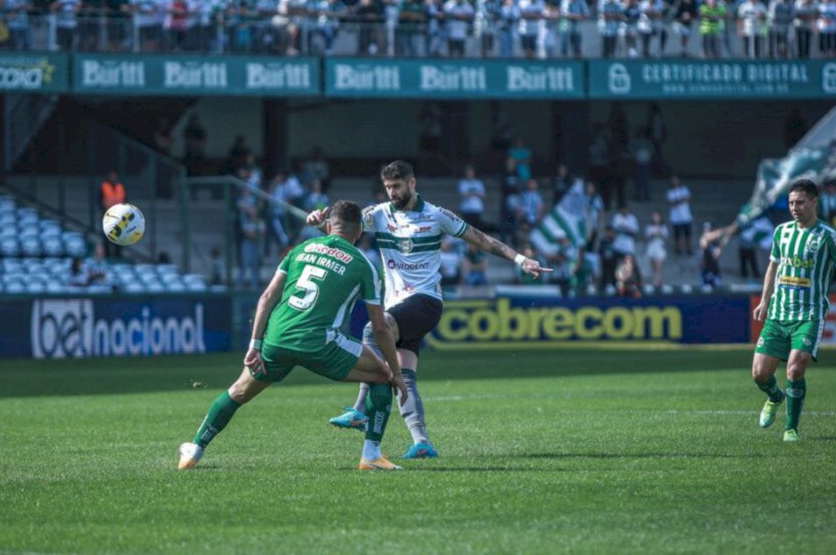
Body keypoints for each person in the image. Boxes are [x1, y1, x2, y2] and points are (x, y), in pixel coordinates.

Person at [307, 161, 550, 459]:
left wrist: (520, 259)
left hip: (426, 302)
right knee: (404, 375)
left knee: (374, 329)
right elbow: (342, 231)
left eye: (397, 186)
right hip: (398, 307)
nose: (392, 193)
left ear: (413, 183)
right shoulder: (379, 214)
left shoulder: (436, 215)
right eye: (387, 188)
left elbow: (482, 239)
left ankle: (358, 410)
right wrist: (321, 222)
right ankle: (422, 442)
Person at [178, 200, 408, 471]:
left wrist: (254, 345)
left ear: (330, 225)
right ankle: (371, 455)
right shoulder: (363, 265)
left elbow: (266, 298)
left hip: (277, 338)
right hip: (320, 342)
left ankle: (195, 449)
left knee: (238, 391)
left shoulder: (299, 249)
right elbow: (380, 329)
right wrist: (396, 373)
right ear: (359, 232)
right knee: (381, 376)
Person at [752, 179, 836, 442]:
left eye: (800, 202)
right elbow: (773, 267)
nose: (794, 207)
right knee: (759, 374)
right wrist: (765, 300)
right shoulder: (782, 232)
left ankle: (790, 428)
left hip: (809, 314)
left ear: (814, 202)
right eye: (791, 203)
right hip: (778, 313)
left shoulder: (829, 235)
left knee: (795, 370)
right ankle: (775, 396)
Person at [99, 172, 126, 257]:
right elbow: (99, 200)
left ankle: (118, 255)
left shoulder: (120, 187)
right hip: (108, 215)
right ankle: (108, 255)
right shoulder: (103, 187)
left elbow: (125, 200)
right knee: (107, 236)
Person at [667, 176, 693, 256]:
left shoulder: (684, 189)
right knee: (677, 236)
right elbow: (672, 204)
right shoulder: (670, 192)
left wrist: (677, 201)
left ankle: (689, 249)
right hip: (676, 218)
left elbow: (689, 200)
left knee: (687, 235)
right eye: (673, 180)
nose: (675, 181)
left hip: (686, 217)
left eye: (676, 180)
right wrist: (682, 200)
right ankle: (678, 249)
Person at [645, 212, 668, 287]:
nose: (656, 218)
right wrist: (653, 234)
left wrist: (660, 233)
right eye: (654, 216)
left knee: (659, 267)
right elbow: (647, 238)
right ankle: (659, 282)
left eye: (657, 216)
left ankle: (655, 283)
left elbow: (665, 238)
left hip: (660, 247)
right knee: (654, 268)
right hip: (652, 247)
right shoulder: (649, 227)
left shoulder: (663, 227)